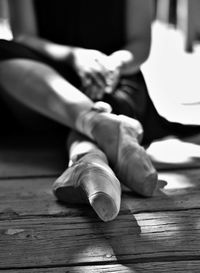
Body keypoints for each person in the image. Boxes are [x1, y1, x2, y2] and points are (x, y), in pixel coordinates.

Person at [0, 0, 199, 221]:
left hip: (113, 80)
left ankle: (90, 164)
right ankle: (102, 131)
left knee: (79, 107)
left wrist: (114, 65)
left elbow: (140, 43)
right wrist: (74, 56)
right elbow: (24, 36)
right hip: (44, 77)